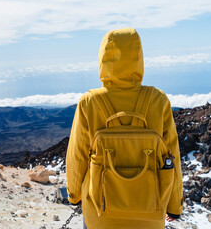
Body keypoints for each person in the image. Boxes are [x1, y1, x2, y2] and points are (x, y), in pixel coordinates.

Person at [66, 28, 183, 229]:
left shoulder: (90, 102)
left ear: (103, 58)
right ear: (139, 57)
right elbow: (172, 156)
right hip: (150, 210)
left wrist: (74, 195)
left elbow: (77, 155)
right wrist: (174, 205)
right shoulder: (158, 100)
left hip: (99, 212)